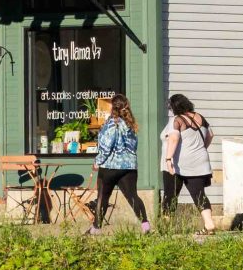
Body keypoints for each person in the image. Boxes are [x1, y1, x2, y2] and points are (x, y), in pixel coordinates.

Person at [90, 96, 152, 233]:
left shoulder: (112, 123)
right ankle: (145, 225)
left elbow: (106, 146)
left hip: (110, 166)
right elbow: (133, 146)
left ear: (113, 107)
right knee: (133, 196)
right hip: (129, 167)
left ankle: (96, 228)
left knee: (102, 197)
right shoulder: (130, 124)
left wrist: (97, 162)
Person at [161, 93, 215, 233]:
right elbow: (210, 135)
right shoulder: (200, 117)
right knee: (199, 194)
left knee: (170, 195)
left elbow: (174, 138)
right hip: (201, 162)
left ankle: (165, 228)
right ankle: (209, 224)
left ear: (174, 107)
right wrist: (201, 149)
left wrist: (168, 159)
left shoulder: (177, 120)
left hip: (180, 164)